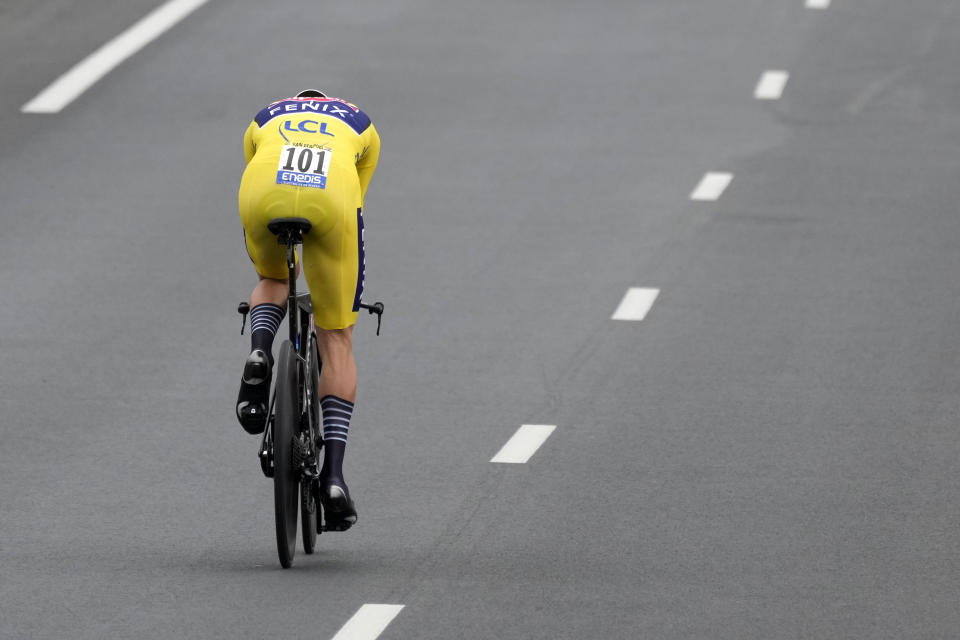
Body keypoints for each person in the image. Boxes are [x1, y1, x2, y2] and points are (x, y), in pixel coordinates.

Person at [236, 89, 380, 530]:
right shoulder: (363, 126)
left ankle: (260, 349)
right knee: (337, 337)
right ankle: (333, 478)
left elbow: (254, 161)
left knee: (275, 278)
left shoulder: (263, 117)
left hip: (264, 195)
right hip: (329, 200)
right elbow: (355, 200)